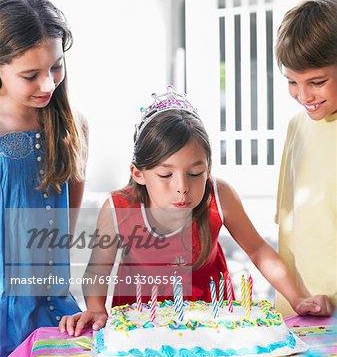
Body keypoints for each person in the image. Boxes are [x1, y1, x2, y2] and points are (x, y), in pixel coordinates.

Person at [59, 85, 332, 338]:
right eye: (166, 174)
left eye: (195, 173)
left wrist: (297, 298)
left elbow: (258, 250)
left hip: (213, 325)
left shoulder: (219, 196)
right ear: (138, 173)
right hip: (141, 327)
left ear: (208, 169)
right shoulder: (118, 209)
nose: (182, 188)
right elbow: (98, 269)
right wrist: (96, 307)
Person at [0, 0, 88, 357]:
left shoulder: (71, 125)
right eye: (30, 75)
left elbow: (64, 231)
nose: (49, 84)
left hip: (57, 311)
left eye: (56, 66)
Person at [274, 0, 336, 315]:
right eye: (292, 82)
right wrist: (290, 302)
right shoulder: (297, 127)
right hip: (304, 314)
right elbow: (288, 227)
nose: (304, 96)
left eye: (317, 82)